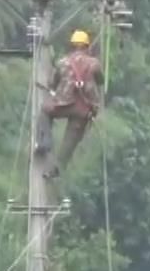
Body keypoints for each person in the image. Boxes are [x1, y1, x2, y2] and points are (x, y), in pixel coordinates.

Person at [38, 29, 103, 179]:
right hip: (84, 109)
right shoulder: (94, 64)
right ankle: (56, 169)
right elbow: (100, 80)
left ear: (72, 46)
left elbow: (52, 83)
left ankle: (44, 143)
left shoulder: (63, 62)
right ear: (87, 47)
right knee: (70, 140)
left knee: (45, 111)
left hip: (63, 104)